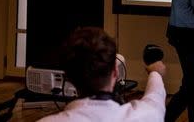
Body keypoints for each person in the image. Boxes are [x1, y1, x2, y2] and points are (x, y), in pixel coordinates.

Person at [38, 27, 166, 122]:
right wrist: (155, 73)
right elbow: (155, 97)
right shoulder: (148, 116)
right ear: (115, 72)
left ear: (69, 77)